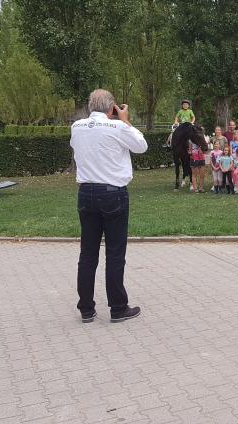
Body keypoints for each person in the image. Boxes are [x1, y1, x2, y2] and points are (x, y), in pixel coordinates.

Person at [70, 89, 147, 324]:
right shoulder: (119, 127)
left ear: (90, 106)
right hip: (113, 193)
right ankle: (117, 307)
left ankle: (86, 308)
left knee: (88, 253)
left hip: (86, 192)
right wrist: (125, 121)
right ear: (112, 107)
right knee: (114, 253)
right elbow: (141, 146)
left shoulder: (77, 127)